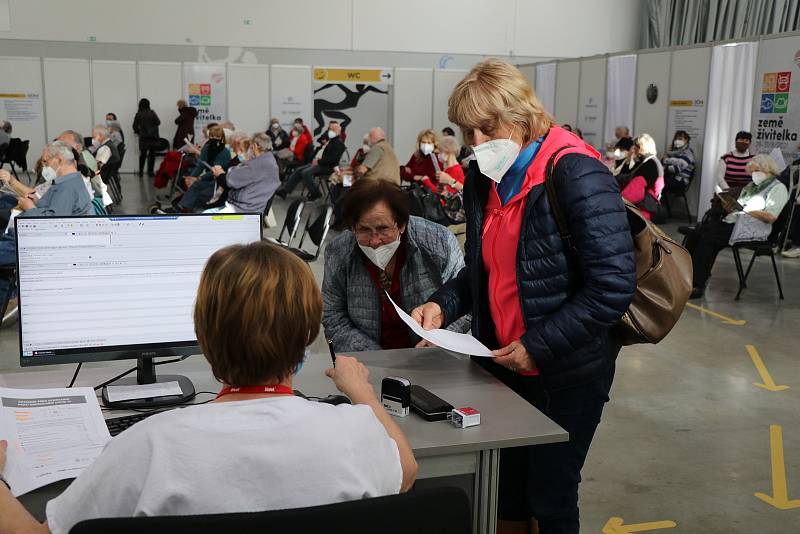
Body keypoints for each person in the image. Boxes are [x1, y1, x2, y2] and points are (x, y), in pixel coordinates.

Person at [0, 241, 417, 534]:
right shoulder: (353, 432)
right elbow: (406, 470)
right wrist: (361, 392)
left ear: (204, 335)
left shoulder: (149, 446)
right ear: (307, 334)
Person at [410, 59, 636, 534]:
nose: (475, 144)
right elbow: (485, 269)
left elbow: (611, 287)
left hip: (564, 371)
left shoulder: (575, 172)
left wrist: (539, 344)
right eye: (466, 133)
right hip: (503, 364)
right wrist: (443, 305)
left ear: (521, 114)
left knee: (551, 497)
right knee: (505, 490)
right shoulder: (486, 176)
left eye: (485, 129)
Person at [323, 179, 469, 352]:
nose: (375, 241)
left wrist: (439, 340)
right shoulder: (339, 252)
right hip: (367, 360)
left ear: (401, 224)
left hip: (430, 357)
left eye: (383, 229)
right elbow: (333, 315)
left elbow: (466, 303)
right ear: (352, 227)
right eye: (363, 230)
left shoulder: (438, 244)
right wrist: (373, 354)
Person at [0, 142, 94, 307]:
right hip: (36, 240)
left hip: (38, 244)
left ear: (58, 160)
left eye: (45, 161)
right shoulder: (67, 183)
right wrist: (35, 202)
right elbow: (54, 212)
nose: (44, 166)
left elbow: (52, 224)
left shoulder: (67, 187)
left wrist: (29, 208)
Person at [685, 154, 788, 299]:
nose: (753, 175)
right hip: (734, 222)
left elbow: (771, 217)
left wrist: (745, 210)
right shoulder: (751, 186)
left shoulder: (778, 189)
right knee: (696, 234)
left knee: (708, 239)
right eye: (751, 172)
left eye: (755, 171)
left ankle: (697, 284)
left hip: (753, 229)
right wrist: (730, 207)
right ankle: (684, 277)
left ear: (767, 170)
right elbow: (738, 209)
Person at [209, 133, 280, 214]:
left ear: (255, 146)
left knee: (205, 217)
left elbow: (228, 181)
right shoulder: (270, 161)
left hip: (243, 209)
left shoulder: (256, 165)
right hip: (255, 207)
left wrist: (219, 173)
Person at [277, 122, 346, 201]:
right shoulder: (331, 141)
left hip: (328, 167)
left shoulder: (339, 144)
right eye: (329, 129)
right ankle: (285, 191)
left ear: (338, 132)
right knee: (298, 170)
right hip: (320, 163)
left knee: (306, 172)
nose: (329, 131)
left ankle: (316, 193)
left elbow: (333, 160)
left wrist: (319, 161)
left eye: (332, 129)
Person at [174, 125, 232, 212]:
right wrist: (191, 177)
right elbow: (200, 165)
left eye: (217, 136)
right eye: (212, 136)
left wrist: (199, 178)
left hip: (218, 181)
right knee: (194, 184)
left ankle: (182, 208)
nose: (214, 138)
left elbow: (215, 171)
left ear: (222, 138)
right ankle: (181, 207)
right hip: (208, 178)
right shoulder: (206, 148)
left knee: (198, 189)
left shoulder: (225, 152)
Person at [619, 134, 664, 221]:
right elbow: (628, 174)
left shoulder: (651, 163)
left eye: (636, 146)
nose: (633, 148)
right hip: (639, 201)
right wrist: (628, 159)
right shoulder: (645, 161)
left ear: (642, 147)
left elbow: (637, 187)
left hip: (642, 205)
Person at [132, 98, 161, 177]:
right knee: (152, 155)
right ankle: (150, 172)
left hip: (144, 138)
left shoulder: (138, 114)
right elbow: (158, 122)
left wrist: (140, 132)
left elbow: (134, 126)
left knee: (143, 155)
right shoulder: (152, 113)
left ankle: (141, 172)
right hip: (153, 138)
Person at [662, 130, 696, 195]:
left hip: (680, 181)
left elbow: (676, 169)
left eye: (680, 139)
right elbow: (663, 161)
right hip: (672, 178)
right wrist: (669, 152)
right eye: (676, 139)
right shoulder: (676, 152)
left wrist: (666, 165)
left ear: (686, 140)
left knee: (656, 183)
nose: (677, 141)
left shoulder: (688, 153)